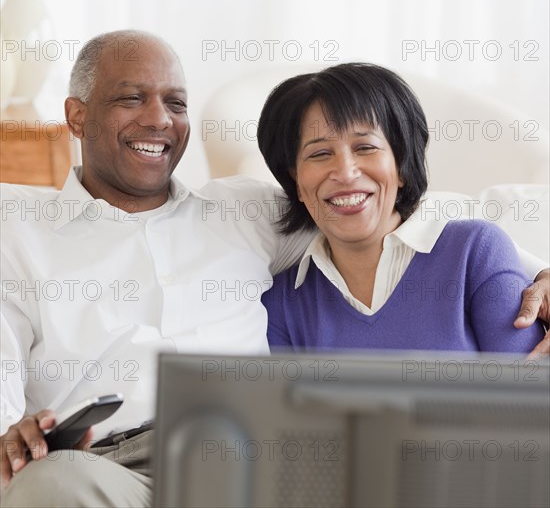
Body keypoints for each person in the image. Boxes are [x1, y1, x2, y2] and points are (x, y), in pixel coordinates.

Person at [0, 35, 548, 507]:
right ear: (76, 115)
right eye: (130, 98)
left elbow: (391, 213)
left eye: (177, 102)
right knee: (49, 485)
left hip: (247, 463)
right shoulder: (17, 232)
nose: (159, 119)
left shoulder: (246, 212)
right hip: (104, 469)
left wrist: (537, 273)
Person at [258, 63, 545, 352]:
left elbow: (528, 390)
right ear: (296, 181)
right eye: (319, 154)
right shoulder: (281, 303)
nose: (345, 172)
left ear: (402, 167)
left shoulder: (477, 253)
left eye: (365, 148)